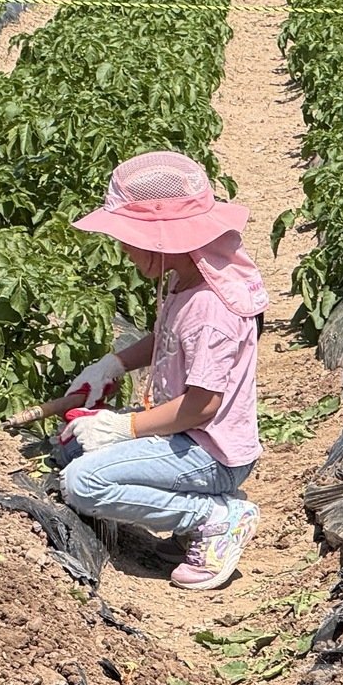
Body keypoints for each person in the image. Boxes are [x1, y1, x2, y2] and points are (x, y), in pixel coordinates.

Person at [58, 152, 267, 591]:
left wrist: (124, 427)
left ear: (162, 239)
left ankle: (214, 518)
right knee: (73, 451)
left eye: (130, 238)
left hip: (211, 454)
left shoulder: (210, 309)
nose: (123, 248)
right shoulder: (187, 278)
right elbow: (166, 336)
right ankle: (191, 520)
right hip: (188, 439)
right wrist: (113, 364)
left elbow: (202, 407)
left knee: (83, 482)